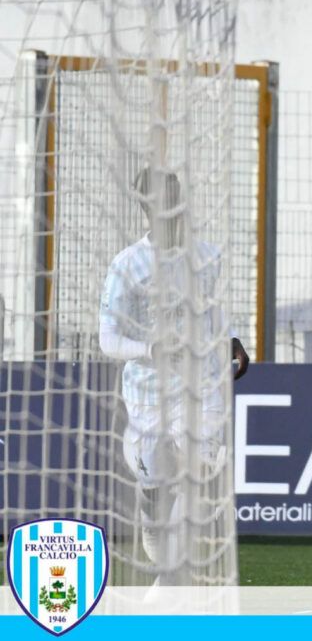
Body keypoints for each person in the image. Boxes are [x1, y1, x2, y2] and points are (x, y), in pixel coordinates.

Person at [99, 168, 249, 583]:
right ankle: (151, 505)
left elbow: (212, 310)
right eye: (164, 199)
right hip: (148, 392)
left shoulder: (207, 256)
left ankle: (169, 578)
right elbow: (107, 339)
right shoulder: (127, 265)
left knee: (200, 470)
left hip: (202, 383)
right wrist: (151, 350)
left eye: (177, 197)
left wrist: (231, 339)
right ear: (147, 206)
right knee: (158, 476)